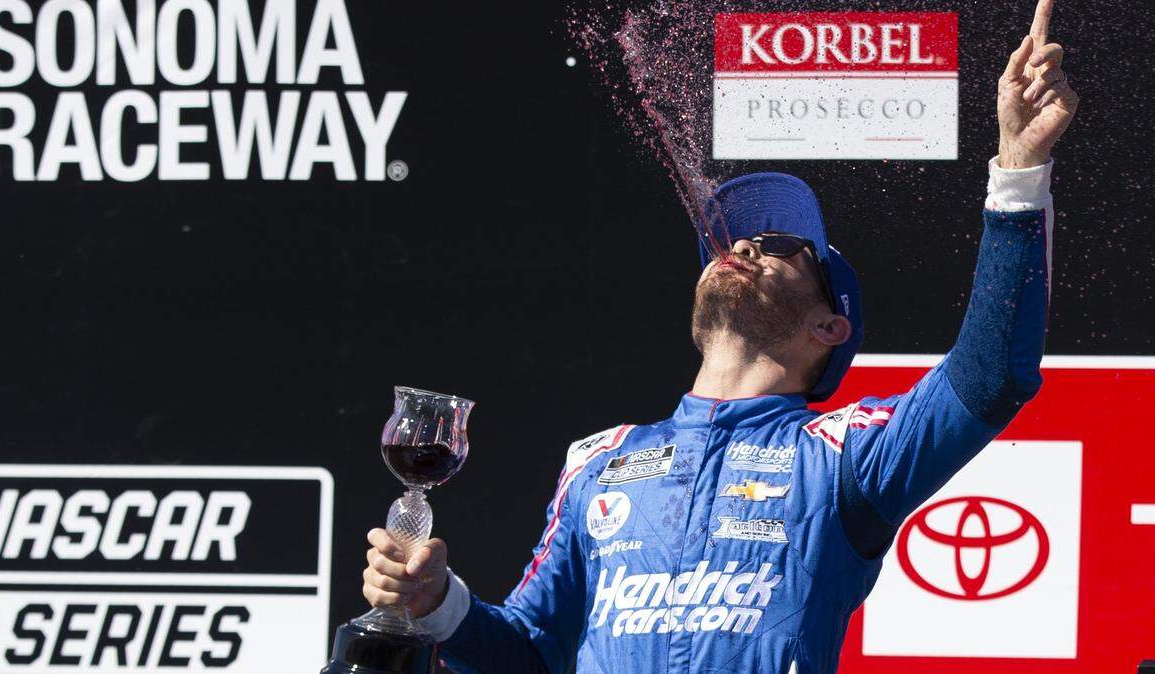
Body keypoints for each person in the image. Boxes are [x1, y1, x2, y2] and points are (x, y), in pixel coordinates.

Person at [360, 1, 1078, 671]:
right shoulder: (598, 462)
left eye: (783, 245)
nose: (745, 246)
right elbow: (529, 650)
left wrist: (1019, 170)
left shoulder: (848, 454)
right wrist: (439, 604)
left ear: (828, 326)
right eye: (737, 241)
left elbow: (989, 376)